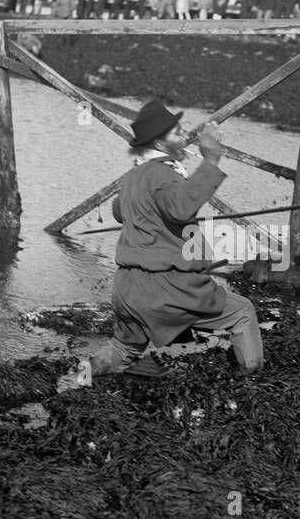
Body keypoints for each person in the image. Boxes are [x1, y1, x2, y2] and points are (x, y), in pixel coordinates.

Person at [88, 101, 264, 380]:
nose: (185, 137)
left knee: (123, 348)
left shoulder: (134, 176)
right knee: (243, 312)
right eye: (178, 133)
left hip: (126, 289)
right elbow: (180, 207)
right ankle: (252, 383)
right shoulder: (161, 175)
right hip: (165, 289)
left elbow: (119, 211)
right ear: (159, 141)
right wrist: (211, 160)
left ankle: (81, 377)